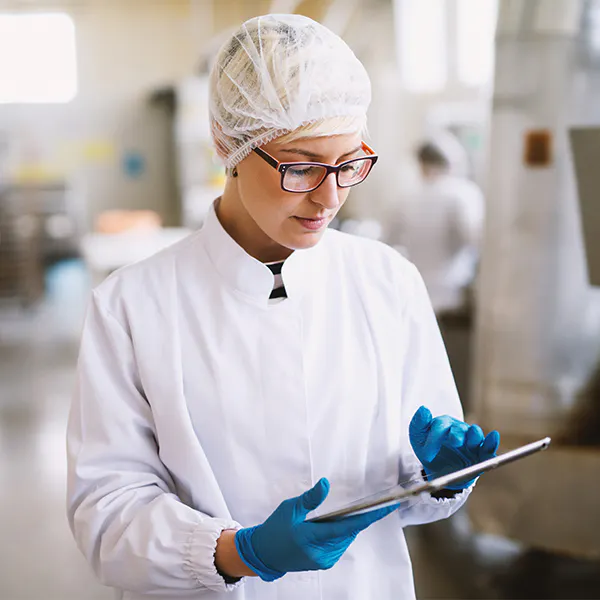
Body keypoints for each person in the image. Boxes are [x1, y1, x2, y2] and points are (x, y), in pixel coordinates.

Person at [67, 14, 500, 600]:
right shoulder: (132, 307)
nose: (329, 196)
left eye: (349, 164)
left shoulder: (386, 281)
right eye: (301, 167)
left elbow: (415, 500)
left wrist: (440, 476)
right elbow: (107, 516)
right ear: (228, 145)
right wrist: (237, 553)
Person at [386, 134, 485, 315]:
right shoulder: (462, 194)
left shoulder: (406, 197)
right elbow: (476, 241)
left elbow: (387, 243)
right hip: (453, 296)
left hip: (416, 292)